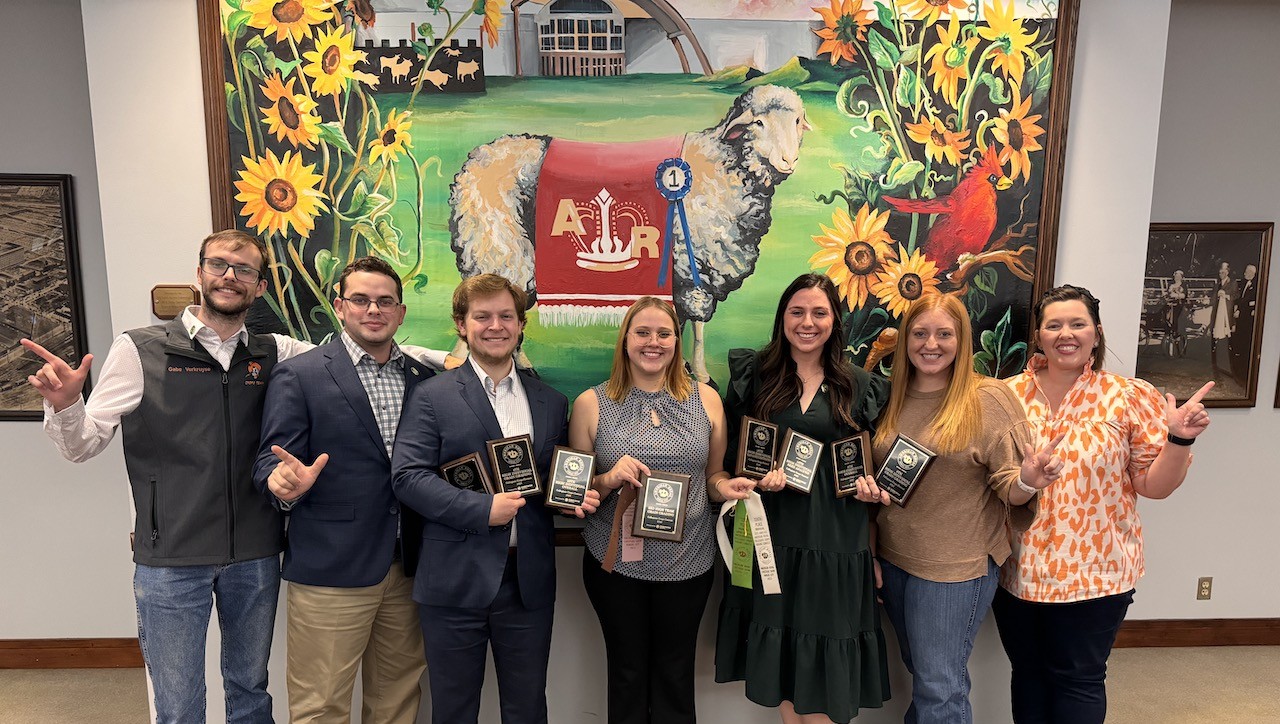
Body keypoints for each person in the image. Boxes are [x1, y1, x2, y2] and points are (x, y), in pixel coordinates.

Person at [20, 229, 315, 723]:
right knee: (177, 703)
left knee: (251, 691)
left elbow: (347, 360)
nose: (230, 276)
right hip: (169, 560)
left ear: (259, 287)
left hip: (256, 554)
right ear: (199, 273)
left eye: (244, 270)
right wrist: (68, 406)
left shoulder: (274, 352)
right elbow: (83, 445)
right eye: (219, 264)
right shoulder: (140, 349)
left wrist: (447, 361)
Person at [993, 284, 1212, 724]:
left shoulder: (1128, 395)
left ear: (1096, 332)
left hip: (1097, 574)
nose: (1065, 334)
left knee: (1079, 679)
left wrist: (1178, 439)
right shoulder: (1004, 395)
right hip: (1016, 568)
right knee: (1028, 675)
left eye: (1077, 323)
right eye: (1053, 325)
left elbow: (1153, 486)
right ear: (1038, 336)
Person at [391, 273, 599, 724]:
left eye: (506, 316)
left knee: (527, 709)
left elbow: (548, 480)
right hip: (453, 582)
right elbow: (407, 477)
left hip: (527, 582)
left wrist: (569, 498)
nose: (495, 326)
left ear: (521, 325)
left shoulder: (550, 401)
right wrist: (483, 509)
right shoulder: (430, 397)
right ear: (461, 326)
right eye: (482, 317)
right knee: (454, 710)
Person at [857, 292, 1062, 724]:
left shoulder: (988, 399)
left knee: (940, 686)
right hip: (895, 560)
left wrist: (1028, 481)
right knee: (927, 676)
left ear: (961, 340)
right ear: (905, 338)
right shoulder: (892, 395)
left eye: (944, 334)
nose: (931, 344)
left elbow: (1012, 487)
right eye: (920, 333)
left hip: (956, 567)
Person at [253, 257, 430, 724]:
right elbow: (271, 459)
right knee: (321, 706)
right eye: (361, 299)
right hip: (331, 569)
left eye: (385, 301)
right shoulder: (302, 375)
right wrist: (283, 483)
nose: (374, 309)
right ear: (340, 306)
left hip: (408, 565)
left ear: (400, 312)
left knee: (397, 701)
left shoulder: (423, 380)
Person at [714, 273, 892, 723]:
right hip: (766, 534)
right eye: (797, 311)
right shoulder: (754, 375)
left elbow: (871, 464)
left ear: (835, 319)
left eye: (819, 312)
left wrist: (872, 491)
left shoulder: (861, 385)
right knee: (786, 672)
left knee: (825, 676)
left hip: (835, 540)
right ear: (782, 317)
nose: (807, 322)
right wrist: (754, 477)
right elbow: (733, 454)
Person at [571, 296, 748, 724]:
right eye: (643, 332)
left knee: (675, 675)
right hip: (614, 566)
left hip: (688, 564)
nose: (654, 342)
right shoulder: (589, 404)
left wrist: (729, 487)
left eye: (664, 333)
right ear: (626, 340)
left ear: (677, 341)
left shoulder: (707, 400)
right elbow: (577, 490)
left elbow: (713, 477)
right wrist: (609, 478)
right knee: (627, 675)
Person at [1230, 263, 1258, 384]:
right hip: (1239, 315)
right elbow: (1239, 297)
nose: (1245, 273)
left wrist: (1241, 310)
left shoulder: (1256, 285)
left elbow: (1251, 302)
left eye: (1247, 271)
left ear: (1252, 273)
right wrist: (1236, 307)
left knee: (1245, 340)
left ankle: (1243, 366)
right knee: (1238, 339)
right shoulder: (1243, 283)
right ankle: (1238, 361)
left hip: (1247, 317)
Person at [1209, 261, 1237, 371]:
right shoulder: (1217, 284)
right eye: (1220, 271)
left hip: (1227, 313)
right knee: (1216, 332)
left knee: (1227, 333)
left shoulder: (1233, 283)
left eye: (1224, 270)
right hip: (1217, 313)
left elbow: (1236, 296)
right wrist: (1215, 296)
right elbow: (1212, 299)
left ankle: (1227, 357)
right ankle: (1216, 356)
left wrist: (1226, 295)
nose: (1222, 273)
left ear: (1228, 271)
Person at [1163, 269, 1187, 357]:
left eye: (1178, 276)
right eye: (1175, 276)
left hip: (1179, 307)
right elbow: (1168, 294)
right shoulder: (1171, 285)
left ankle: (1181, 349)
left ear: (1181, 277)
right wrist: (1170, 295)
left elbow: (1184, 295)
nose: (1177, 278)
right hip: (1171, 306)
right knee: (1167, 318)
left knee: (1178, 325)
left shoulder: (1183, 285)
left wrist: (1176, 295)